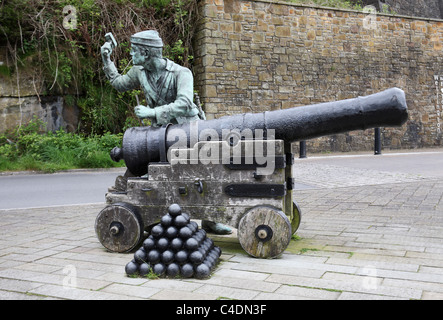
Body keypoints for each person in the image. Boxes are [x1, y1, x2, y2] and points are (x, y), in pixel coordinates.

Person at [101, 30, 231, 235]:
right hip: (161, 134)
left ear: (146, 53)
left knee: (207, 172)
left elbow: (184, 102)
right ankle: (146, 213)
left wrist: (152, 112)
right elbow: (119, 83)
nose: (131, 55)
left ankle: (210, 220)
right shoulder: (139, 71)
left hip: (189, 130)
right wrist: (106, 59)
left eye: (134, 51)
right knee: (148, 170)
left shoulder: (182, 73)